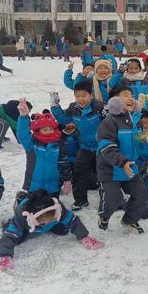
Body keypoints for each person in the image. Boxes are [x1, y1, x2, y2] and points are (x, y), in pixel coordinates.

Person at [0, 190, 103, 270]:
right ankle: (20, 198)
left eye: (51, 219)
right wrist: (5, 255)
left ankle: (47, 224)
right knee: (16, 238)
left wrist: (85, 237)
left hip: (45, 221)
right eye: (44, 221)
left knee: (63, 230)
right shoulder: (22, 217)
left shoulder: (57, 209)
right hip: (29, 225)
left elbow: (73, 220)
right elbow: (9, 236)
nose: (48, 221)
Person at [96, 86, 147, 234]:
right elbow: (107, 147)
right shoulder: (109, 122)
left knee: (141, 194)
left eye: (132, 96)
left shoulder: (135, 120)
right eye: (126, 95)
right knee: (114, 199)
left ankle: (129, 219)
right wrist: (122, 162)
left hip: (130, 167)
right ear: (115, 101)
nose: (131, 98)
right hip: (111, 169)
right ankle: (104, 216)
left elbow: (140, 148)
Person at [50, 81, 106, 210]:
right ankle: (80, 200)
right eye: (77, 96)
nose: (80, 99)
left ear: (91, 95)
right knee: (78, 171)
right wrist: (55, 106)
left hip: (101, 147)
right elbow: (64, 119)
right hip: (85, 146)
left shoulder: (99, 107)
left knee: (103, 173)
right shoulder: (73, 108)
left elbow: (109, 123)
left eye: (84, 95)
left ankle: (107, 201)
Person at [17, 100, 72, 198]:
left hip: (53, 186)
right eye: (45, 130)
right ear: (38, 130)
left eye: (51, 129)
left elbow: (64, 163)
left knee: (52, 210)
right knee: (34, 210)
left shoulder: (58, 144)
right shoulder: (32, 145)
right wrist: (24, 116)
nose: (49, 132)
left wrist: (67, 180)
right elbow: (23, 134)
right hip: (34, 186)